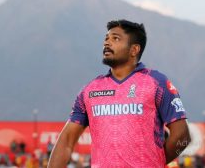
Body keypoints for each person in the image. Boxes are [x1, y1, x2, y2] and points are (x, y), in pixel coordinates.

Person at [48, 19, 191, 167]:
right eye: (106, 39)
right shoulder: (90, 90)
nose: (107, 43)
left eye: (115, 38)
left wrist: (156, 162)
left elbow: (183, 136)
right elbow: (66, 141)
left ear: (134, 50)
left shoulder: (156, 82)